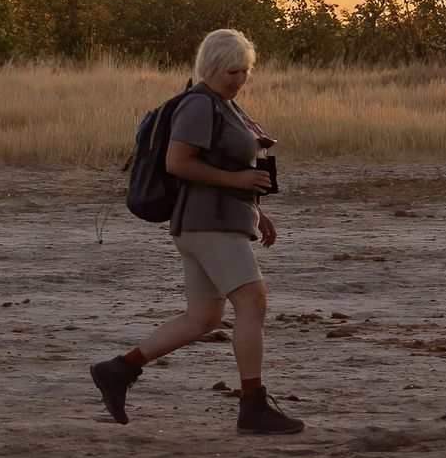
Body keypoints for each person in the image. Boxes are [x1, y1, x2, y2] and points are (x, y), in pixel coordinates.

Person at [89, 28, 300, 434]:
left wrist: (255, 210)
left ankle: (119, 370)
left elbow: (230, 170)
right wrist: (238, 183)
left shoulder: (224, 104)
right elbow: (178, 163)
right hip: (207, 226)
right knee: (252, 302)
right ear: (210, 67)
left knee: (202, 317)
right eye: (230, 72)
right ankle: (253, 406)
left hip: (213, 223)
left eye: (244, 71)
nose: (238, 80)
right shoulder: (200, 105)